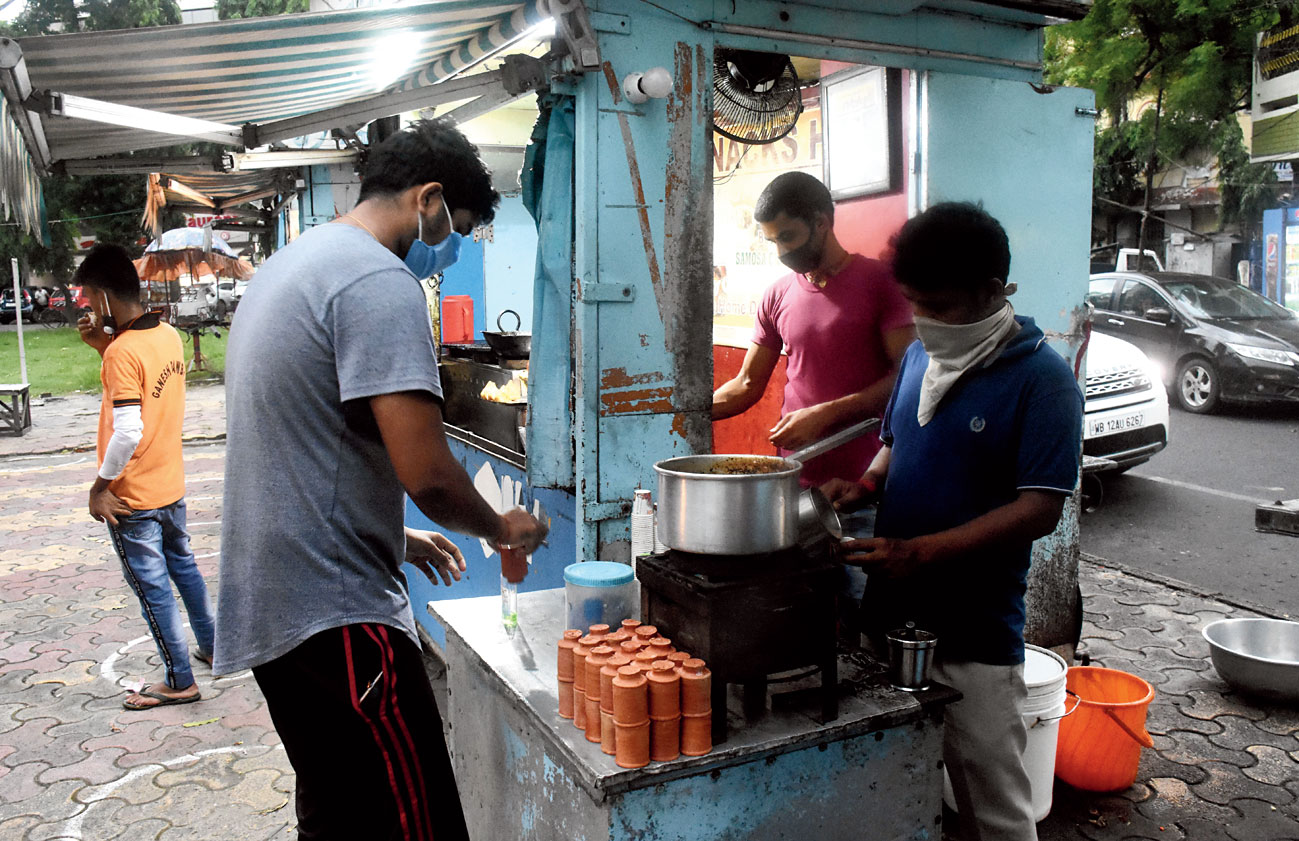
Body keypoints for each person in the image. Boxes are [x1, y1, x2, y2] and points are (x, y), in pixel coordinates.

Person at [215, 117, 547, 841]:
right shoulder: (376, 279)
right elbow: (427, 471)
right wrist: (502, 525)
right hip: (335, 617)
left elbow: (300, 445)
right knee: (412, 820)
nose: (449, 248)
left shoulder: (295, 264)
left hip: (277, 608)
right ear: (426, 198)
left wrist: (394, 536)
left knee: (340, 814)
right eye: (454, 228)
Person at [825, 203, 1083, 841]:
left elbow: (1039, 508)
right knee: (891, 777)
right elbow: (897, 442)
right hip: (891, 617)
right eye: (914, 304)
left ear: (992, 293)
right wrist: (864, 483)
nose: (924, 321)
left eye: (938, 306)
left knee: (993, 805)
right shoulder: (920, 358)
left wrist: (921, 552)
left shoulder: (1042, 381)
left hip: (975, 633)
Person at [75, 243, 216, 711]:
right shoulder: (167, 337)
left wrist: (100, 488)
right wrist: (103, 348)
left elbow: (129, 429)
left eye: (87, 298)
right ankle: (213, 645)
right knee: (185, 569)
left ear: (103, 298)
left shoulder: (124, 352)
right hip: (170, 486)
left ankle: (180, 681)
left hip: (133, 498)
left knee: (153, 589)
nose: (87, 308)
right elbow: (143, 392)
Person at [712, 171, 915, 487]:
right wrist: (681, 413)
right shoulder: (776, 294)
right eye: (772, 241)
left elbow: (908, 378)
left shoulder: (881, 283)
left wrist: (827, 414)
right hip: (795, 476)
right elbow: (747, 383)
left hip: (867, 481)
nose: (781, 253)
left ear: (821, 222)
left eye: (788, 237)